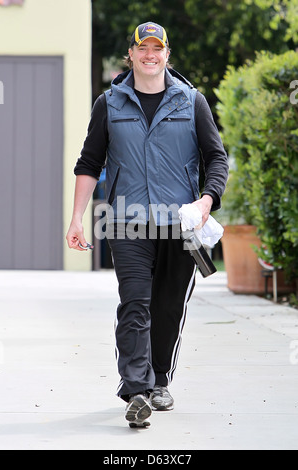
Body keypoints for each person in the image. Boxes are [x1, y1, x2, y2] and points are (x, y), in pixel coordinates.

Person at [66, 21, 228, 428]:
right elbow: (89, 163)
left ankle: (159, 381)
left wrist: (207, 201)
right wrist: (76, 220)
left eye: (158, 49)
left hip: (180, 225)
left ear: (167, 55)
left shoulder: (192, 102)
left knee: (169, 306)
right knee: (135, 303)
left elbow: (217, 158)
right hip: (127, 222)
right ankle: (135, 390)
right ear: (132, 54)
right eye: (143, 49)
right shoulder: (110, 103)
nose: (150, 55)